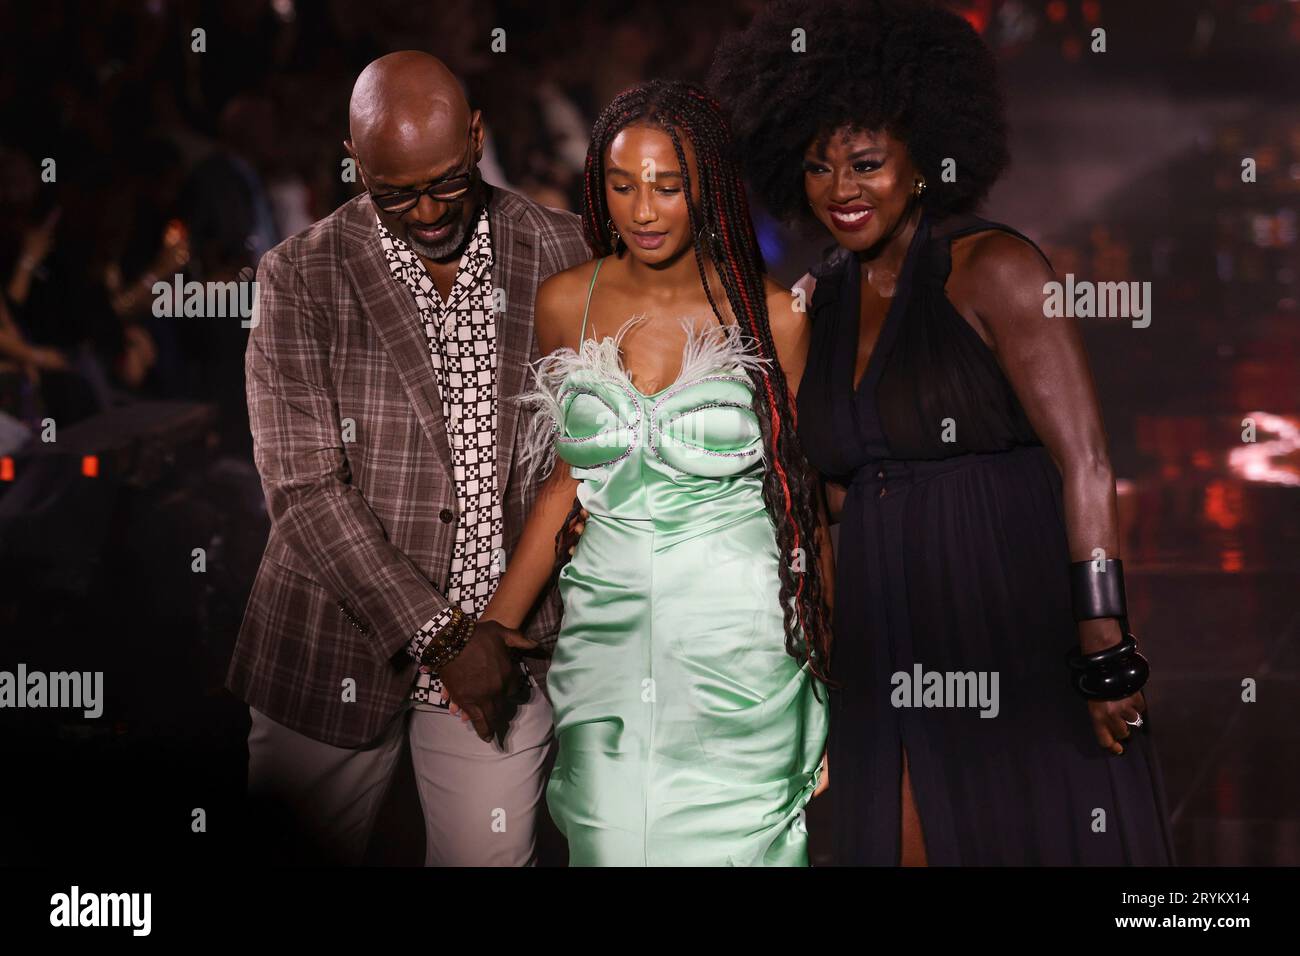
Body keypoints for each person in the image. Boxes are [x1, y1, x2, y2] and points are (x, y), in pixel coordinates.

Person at [710, 0, 1175, 865]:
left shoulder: (995, 269)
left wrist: (1104, 643)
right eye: (817, 168)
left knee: (1027, 833)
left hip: (1008, 608)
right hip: (885, 627)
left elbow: (1087, 462)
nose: (841, 190)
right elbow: (830, 479)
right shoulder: (822, 301)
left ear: (924, 154)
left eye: (866, 163)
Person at [226, 51, 591, 865]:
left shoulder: (565, 250)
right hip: (333, 640)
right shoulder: (299, 278)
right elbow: (305, 488)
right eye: (393, 194)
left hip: (508, 648)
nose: (427, 211)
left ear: (475, 138)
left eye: (446, 183)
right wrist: (441, 638)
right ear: (353, 164)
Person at [476, 80, 831, 866]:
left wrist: (831, 667)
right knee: (611, 836)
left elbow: (803, 498)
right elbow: (565, 482)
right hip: (605, 632)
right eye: (622, 185)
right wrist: (493, 631)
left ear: (706, 189)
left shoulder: (775, 315)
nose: (643, 210)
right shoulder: (568, 299)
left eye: (669, 187)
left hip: (741, 644)